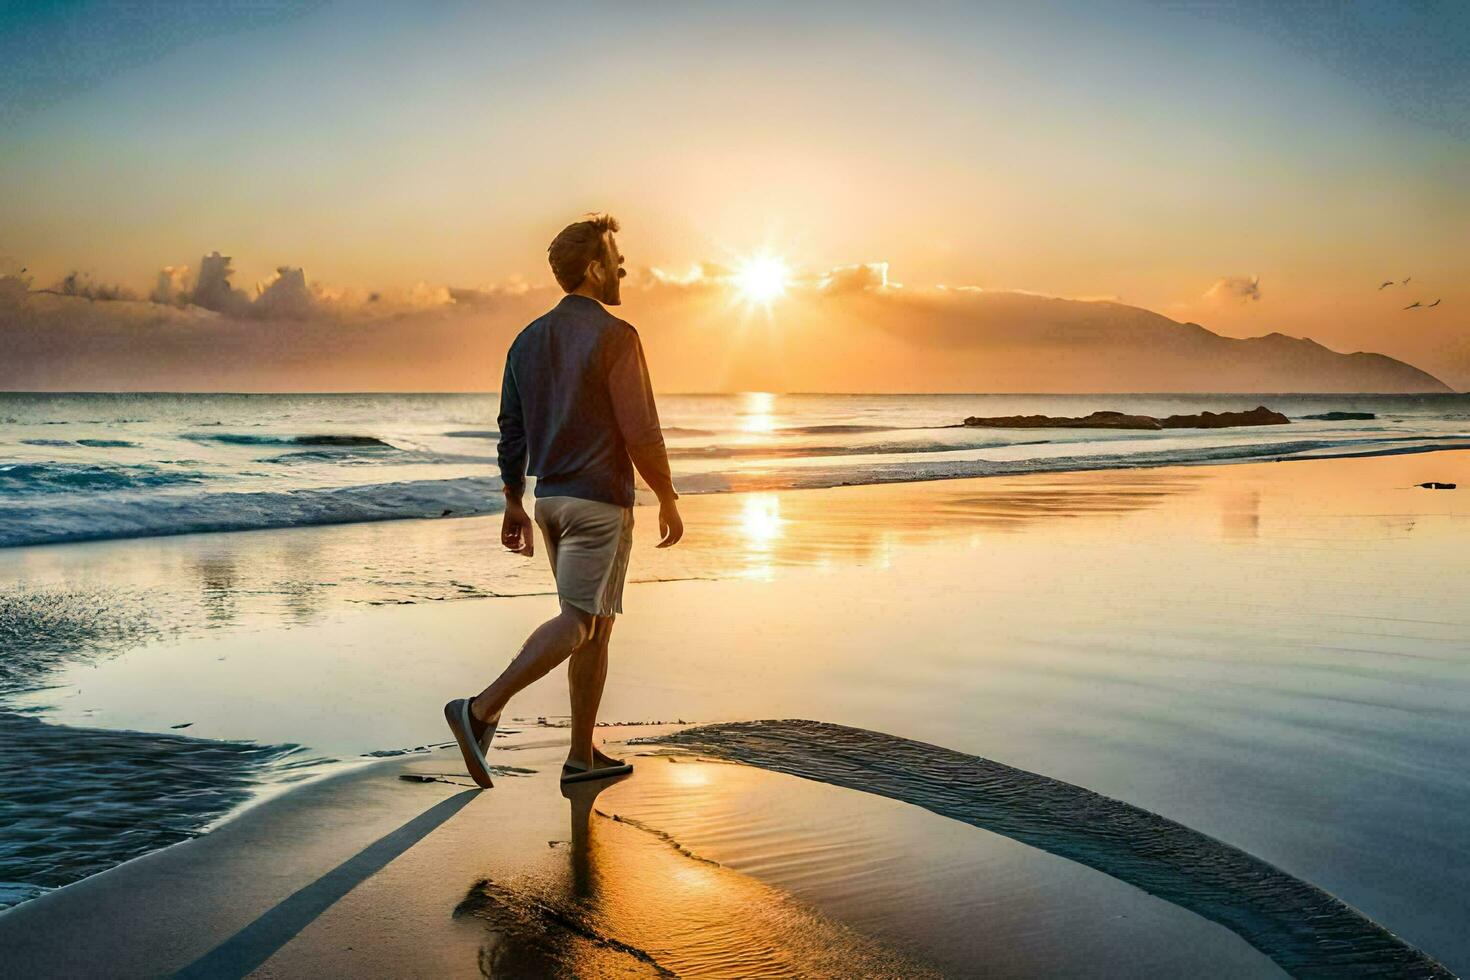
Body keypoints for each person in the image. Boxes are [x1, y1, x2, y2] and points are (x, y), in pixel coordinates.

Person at [444, 214, 682, 789]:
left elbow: (512, 429)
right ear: (595, 269)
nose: (623, 266)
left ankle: (581, 754)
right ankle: (479, 711)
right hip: (598, 502)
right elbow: (640, 430)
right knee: (579, 622)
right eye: (615, 257)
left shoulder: (526, 340)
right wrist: (668, 496)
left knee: (597, 626)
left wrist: (513, 500)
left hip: (550, 502)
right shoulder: (616, 337)